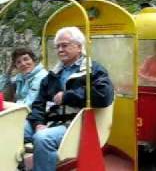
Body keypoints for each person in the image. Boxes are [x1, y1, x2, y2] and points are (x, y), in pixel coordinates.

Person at [24, 27, 114, 171]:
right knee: (11, 129)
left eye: (64, 45)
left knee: (42, 139)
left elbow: (104, 95)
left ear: (79, 47)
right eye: (57, 46)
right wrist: (38, 123)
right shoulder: (52, 75)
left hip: (76, 124)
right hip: (51, 121)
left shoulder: (94, 70)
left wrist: (68, 96)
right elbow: (38, 104)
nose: (60, 49)